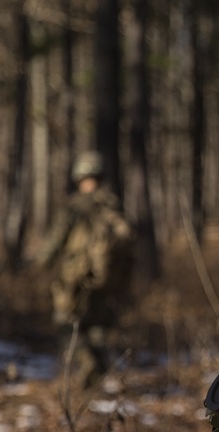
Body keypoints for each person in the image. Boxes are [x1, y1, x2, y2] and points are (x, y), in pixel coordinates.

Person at [39, 151, 134, 388]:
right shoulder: (113, 204)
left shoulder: (74, 206)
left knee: (66, 322)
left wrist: (39, 264)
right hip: (108, 280)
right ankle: (95, 381)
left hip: (75, 277)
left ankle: (88, 365)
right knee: (98, 328)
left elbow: (53, 243)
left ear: (79, 176)